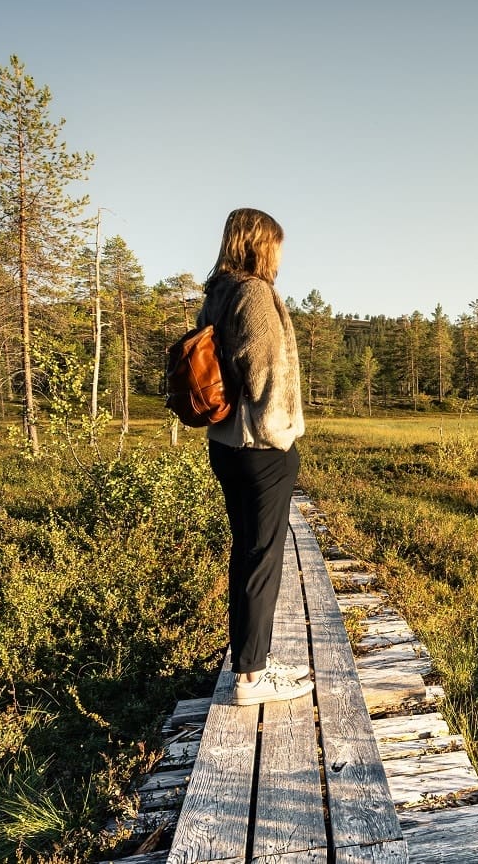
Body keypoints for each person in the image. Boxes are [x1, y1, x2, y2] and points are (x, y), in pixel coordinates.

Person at [199, 208, 313, 706]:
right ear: (259, 244)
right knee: (261, 559)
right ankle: (250, 679)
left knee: (245, 553)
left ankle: (252, 663)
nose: (281, 255)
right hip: (260, 445)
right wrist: (281, 434)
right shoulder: (253, 293)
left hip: (225, 445)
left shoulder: (216, 294)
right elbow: (266, 371)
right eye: (277, 245)